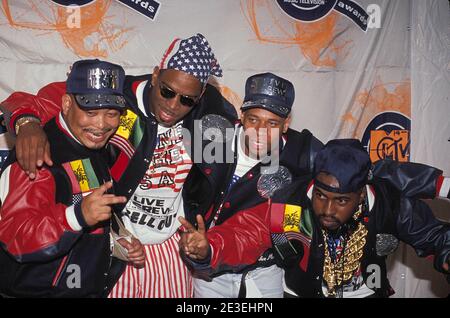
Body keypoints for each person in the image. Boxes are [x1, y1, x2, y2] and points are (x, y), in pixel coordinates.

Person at [0, 34, 237, 298]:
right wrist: (27, 123)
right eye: (167, 92)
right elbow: (42, 100)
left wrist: (203, 230)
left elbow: (222, 179)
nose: (173, 105)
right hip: (112, 250)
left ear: (201, 95)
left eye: (187, 100)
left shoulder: (215, 119)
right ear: (156, 75)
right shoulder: (117, 94)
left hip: (169, 248)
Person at [0, 59, 145, 297]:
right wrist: (77, 216)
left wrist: (116, 244)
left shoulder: (90, 145)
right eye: (90, 112)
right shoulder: (39, 154)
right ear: (66, 104)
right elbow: (16, 237)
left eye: (111, 113)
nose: (101, 124)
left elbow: (83, 212)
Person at [178, 72, 323, 298]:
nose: (260, 130)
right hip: (209, 269)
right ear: (242, 116)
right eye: (253, 119)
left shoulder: (301, 155)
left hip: (264, 271)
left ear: (286, 125)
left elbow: (344, 169)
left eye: (272, 122)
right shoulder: (212, 138)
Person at [269, 139, 450, 297]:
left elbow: (435, 237)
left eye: (342, 200)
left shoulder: (387, 204)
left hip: (367, 292)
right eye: (320, 196)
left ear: (361, 194)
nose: (328, 210)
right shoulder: (291, 203)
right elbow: (276, 245)